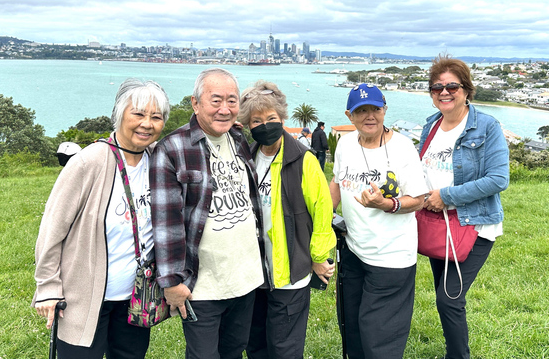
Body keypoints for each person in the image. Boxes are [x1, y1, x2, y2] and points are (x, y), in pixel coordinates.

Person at [33, 79, 170, 359]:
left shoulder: (158, 160)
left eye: (156, 117)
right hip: (84, 299)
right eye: (138, 114)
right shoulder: (89, 162)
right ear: (120, 114)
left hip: (135, 298)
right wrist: (47, 287)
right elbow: (51, 229)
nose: (147, 124)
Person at [150, 68, 267, 359]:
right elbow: (167, 222)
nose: (224, 109)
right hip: (202, 285)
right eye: (216, 101)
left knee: (233, 350)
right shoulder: (173, 149)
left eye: (232, 101)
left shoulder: (238, 139)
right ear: (195, 103)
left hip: (245, 277)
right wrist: (172, 281)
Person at [328, 83, 429, 358]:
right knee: (352, 330)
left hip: (391, 257)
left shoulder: (403, 148)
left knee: (379, 337)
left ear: (385, 110)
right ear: (350, 116)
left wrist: (388, 205)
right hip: (352, 250)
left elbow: (418, 199)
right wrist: (322, 213)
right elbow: (337, 183)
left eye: (375, 108)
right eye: (362, 111)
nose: (369, 116)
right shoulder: (346, 144)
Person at [420, 55, 510, 359]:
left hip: (473, 224)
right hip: (437, 225)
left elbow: (498, 179)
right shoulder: (431, 124)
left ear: (466, 89)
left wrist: (447, 196)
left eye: (452, 86)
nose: (444, 92)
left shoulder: (486, 126)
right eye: (437, 88)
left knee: (449, 298)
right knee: (446, 297)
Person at [238, 80, 335, 359]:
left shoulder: (303, 160)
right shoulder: (249, 157)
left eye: (271, 118)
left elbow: (322, 210)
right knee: (256, 344)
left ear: (282, 118)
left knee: (284, 348)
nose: (265, 124)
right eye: (257, 120)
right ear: (248, 124)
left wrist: (318, 256)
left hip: (290, 273)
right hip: (255, 272)